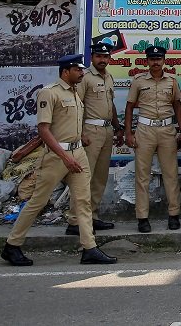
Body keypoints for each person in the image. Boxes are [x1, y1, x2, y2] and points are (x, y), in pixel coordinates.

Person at [1, 54, 117, 266]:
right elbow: (43, 130)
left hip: (78, 153)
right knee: (38, 201)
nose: (82, 73)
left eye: (82, 70)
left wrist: (80, 137)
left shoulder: (75, 93)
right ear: (66, 71)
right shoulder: (49, 92)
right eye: (78, 70)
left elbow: (72, 123)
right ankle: (12, 245)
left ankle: (89, 248)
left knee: (83, 201)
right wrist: (65, 157)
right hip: (57, 157)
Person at [124, 45, 181, 233]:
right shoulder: (139, 81)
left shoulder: (172, 81)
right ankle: (142, 218)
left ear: (164, 60)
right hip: (145, 130)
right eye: (152, 59)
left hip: (167, 130)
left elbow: (177, 106)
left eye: (159, 59)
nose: (156, 62)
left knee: (171, 174)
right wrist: (128, 132)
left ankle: (174, 215)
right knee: (142, 175)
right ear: (147, 61)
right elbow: (129, 107)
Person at [65, 41, 123, 236]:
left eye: (106, 57)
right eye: (99, 56)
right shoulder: (85, 78)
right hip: (90, 130)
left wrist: (117, 127)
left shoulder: (108, 77)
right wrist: (80, 133)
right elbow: (76, 105)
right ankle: (75, 220)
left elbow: (111, 105)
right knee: (83, 178)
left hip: (106, 131)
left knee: (100, 177)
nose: (102, 60)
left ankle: (92, 217)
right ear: (92, 57)